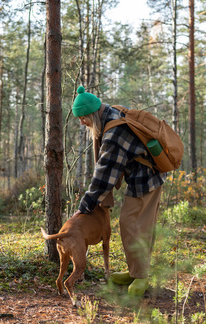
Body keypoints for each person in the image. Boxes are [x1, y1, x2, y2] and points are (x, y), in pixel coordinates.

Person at [71, 86, 166, 296]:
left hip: (147, 180)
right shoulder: (111, 112)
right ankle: (135, 272)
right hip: (138, 179)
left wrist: (84, 207)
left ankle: (141, 277)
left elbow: (104, 176)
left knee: (137, 226)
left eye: (83, 118)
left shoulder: (114, 133)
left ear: (92, 115)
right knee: (130, 223)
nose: (81, 123)